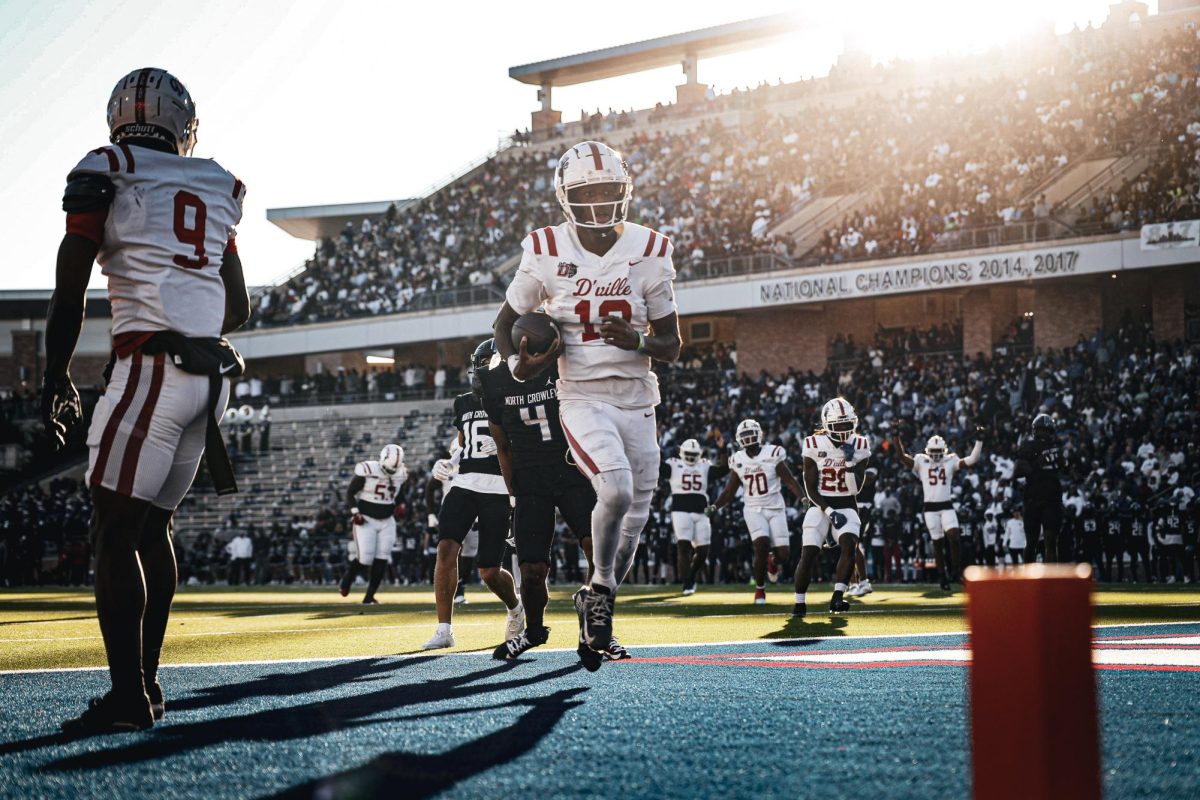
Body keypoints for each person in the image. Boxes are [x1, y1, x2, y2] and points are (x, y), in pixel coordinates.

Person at [41, 68, 249, 734]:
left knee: (113, 533)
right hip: (209, 378)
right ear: (182, 125)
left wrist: (55, 375)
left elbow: (70, 287)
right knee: (150, 528)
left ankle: (129, 696)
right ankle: (147, 684)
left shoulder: (107, 165)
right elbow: (237, 306)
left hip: (150, 364)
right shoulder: (219, 182)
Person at [492, 140, 680, 667]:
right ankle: (600, 593)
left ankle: (595, 596)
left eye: (607, 190)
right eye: (587, 191)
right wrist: (518, 366)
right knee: (614, 489)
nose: (598, 200)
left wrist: (638, 342)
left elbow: (671, 345)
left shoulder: (652, 248)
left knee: (632, 526)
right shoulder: (546, 247)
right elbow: (504, 325)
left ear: (625, 191)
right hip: (582, 397)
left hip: (639, 399)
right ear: (565, 196)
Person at [477, 336, 604, 661]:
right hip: (531, 481)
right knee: (532, 571)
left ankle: (590, 624)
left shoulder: (558, 367)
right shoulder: (494, 383)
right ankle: (533, 631)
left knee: (599, 552)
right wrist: (513, 493)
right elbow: (503, 446)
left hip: (571, 472)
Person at [421, 342, 523, 650]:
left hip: (498, 487)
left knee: (489, 570)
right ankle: (444, 629)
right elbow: (463, 444)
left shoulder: (514, 400)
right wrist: (448, 462)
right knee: (445, 549)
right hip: (464, 483)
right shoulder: (463, 402)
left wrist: (509, 446)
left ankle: (515, 607)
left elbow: (529, 445)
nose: (481, 371)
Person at [709, 419, 806, 604]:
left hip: (775, 508)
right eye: (744, 435)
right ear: (739, 439)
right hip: (753, 509)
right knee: (761, 544)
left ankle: (773, 562)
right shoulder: (738, 459)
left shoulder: (772, 453)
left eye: (750, 434)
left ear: (759, 435)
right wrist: (715, 506)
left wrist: (802, 497)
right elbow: (729, 490)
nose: (748, 438)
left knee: (784, 555)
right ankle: (760, 589)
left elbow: (789, 480)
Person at [793, 399, 872, 617]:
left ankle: (838, 597)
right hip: (820, 504)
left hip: (846, 502)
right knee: (809, 552)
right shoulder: (812, 444)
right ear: (827, 424)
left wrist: (848, 463)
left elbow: (855, 488)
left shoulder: (861, 445)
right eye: (839, 425)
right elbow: (810, 488)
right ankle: (799, 603)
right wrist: (829, 512)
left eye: (848, 424)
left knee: (849, 544)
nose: (845, 430)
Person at [894, 430, 984, 590]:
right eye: (933, 452)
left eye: (938, 452)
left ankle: (955, 571)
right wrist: (896, 436)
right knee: (937, 543)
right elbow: (902, 457)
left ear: (944, 451)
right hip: (930, 508)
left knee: (955, 537)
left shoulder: (950, 460)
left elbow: (972, 460)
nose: (935, 455)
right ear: (928, 451)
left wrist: (979, 440)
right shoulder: (921, 461)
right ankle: (943, 576)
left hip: (946, 505)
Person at [339, 444, 406, 604]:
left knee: (382, 558)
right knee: (365, 558)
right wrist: (354, 512)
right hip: (366, 519)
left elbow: (399, 493)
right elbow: (350, 492)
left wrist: (401, 505)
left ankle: (369, 597)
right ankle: (347, 579)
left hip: (387, 521)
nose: (390, 472)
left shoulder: (401, 473)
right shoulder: (368, 469)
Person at [661, 438, 722, 595]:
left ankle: (692, 575)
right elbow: (658, 466)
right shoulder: (674, 464)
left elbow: (722, 470)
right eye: (688, 453)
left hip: (701, 512)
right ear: (681, 453)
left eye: (693, 454)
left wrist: (722, 450)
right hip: (680, 510)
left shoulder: (704, 465)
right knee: (683, 546)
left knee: (703, 550)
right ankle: (687, 583)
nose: (690, 457)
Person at [1014, 414, 1066, 563]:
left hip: (1052, 498)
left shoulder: (1057, 448)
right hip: (1034, 497)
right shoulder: (1028, 446)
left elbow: (1067, 470)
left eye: (1046, 430)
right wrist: (1039, 463)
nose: (1044, 433)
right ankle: (1028, 579)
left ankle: (1051, 582)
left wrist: (1064, 462)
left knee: (1050, 541)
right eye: (1041, 430)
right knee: (1032, 541)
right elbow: (1017, 471)